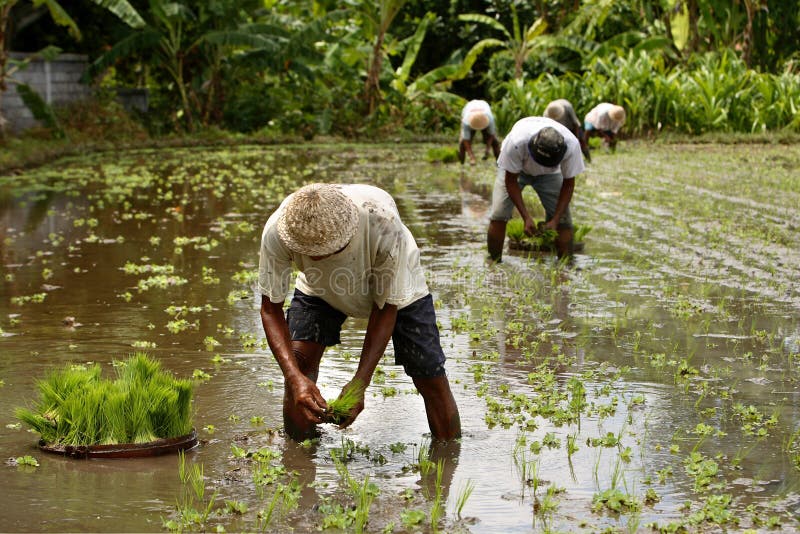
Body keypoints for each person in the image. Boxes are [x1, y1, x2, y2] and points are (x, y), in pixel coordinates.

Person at [258, 183, 461, 442]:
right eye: (311, 253)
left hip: (400, 287)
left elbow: (386, 308)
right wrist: (293, 377)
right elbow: (270, 308)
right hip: (318, 287)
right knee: (299, 367)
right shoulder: (280, 230)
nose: (320, 258)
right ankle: (300, 459)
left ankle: (449, 454)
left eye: (328, 251)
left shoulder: (382, 223)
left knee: (429, 374)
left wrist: (360, 383)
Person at [486, 116, 585, 261]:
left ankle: (566, 266)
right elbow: (511, 181)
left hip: (551, 175)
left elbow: (569, 185)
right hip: (517, 171)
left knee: (564, 221)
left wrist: (555, 220)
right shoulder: (516, 142)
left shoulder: (572, 146)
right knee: (499, 215)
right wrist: (526, 217)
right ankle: (494, 262)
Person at [458, 99, 501, 165]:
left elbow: (491, 135)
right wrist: (471, 157)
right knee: (462, 143)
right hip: (469, 112)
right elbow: (466, 140)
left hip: (484, 111)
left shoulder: (490, 118)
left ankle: (500, 162)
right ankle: (462, 163)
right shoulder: (466, 121)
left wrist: (487, 149)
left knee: (495, 142)